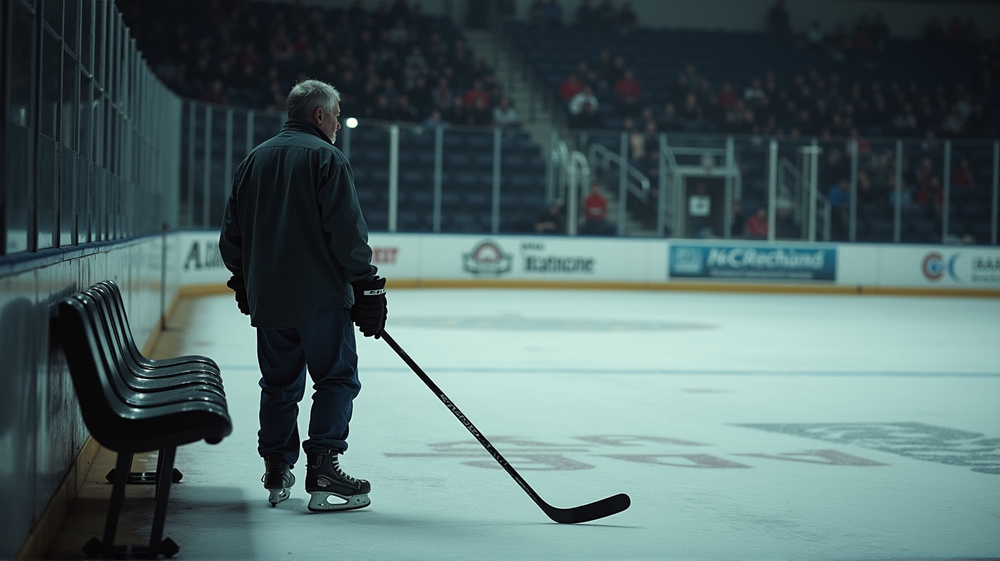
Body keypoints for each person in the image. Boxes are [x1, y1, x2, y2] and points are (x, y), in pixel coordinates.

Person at [219, 80, 387, 513]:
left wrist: (243, 282)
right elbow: (347, 233)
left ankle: (277, 466)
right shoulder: (326, 157)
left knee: (278, 384)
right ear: (319, 115)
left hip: (269, 301)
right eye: (335, 116)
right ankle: (325, 467)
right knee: (336, 378)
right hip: (320, 299)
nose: (337, 125)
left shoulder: (253, 160)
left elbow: (232, 236)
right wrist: (367, 286)